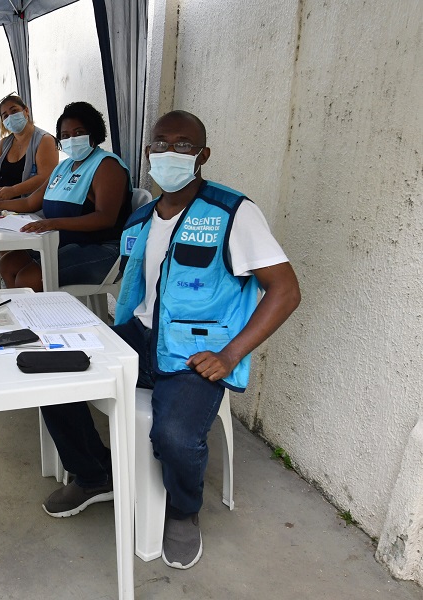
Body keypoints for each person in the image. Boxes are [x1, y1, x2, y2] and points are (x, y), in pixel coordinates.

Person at [39, 110, 301, 571]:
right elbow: (138, 293)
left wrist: (230, 354)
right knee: (51, 375)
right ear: (148, 152)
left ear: (203, 155)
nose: (171, 153)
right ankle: (94, 475)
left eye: (184, 145)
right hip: (141, 337)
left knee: (174, 435)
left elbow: (286, 290)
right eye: (161, 143)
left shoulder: (232, 212)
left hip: (197, 350)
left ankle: (183, 510)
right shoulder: (141, 218)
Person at [0, 101, 131, 290]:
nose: (72, 139)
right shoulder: (65, 166)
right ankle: (20, 314)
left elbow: (105, 218)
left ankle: (35, 317)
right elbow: (29, 202)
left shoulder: (107, 165)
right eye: (65, 135)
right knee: (8, 264)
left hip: (101, 248)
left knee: (28, 279)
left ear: (94, 132)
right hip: (62, 242)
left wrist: (52, 223)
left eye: (79, 133)